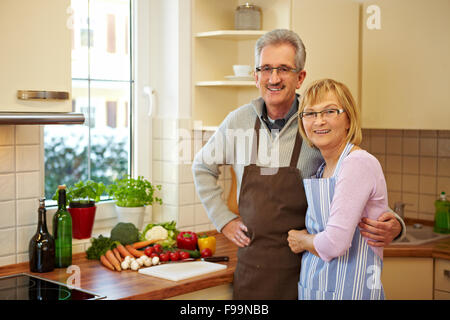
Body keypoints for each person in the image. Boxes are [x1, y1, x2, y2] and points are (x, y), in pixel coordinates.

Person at [192, 29, 404, 300]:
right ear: (256, 76)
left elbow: (357, 183)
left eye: (283, 69)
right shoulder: (237, 122)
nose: (274, 78)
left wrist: (394, 224)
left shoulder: (317, 125)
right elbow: (202, 167)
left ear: (300, 77)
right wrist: (224, 221)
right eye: (266, 69)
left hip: (307, 268)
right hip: (253, 271)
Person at [287, 78, 386, 299]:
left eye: (330, 111)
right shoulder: (323, 167)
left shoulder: (357, 163)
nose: (319, 121)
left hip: (351, 290)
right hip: (318, 287)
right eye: (310, 113)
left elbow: (334, 244)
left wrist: (301, 240)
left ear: (349, 119)